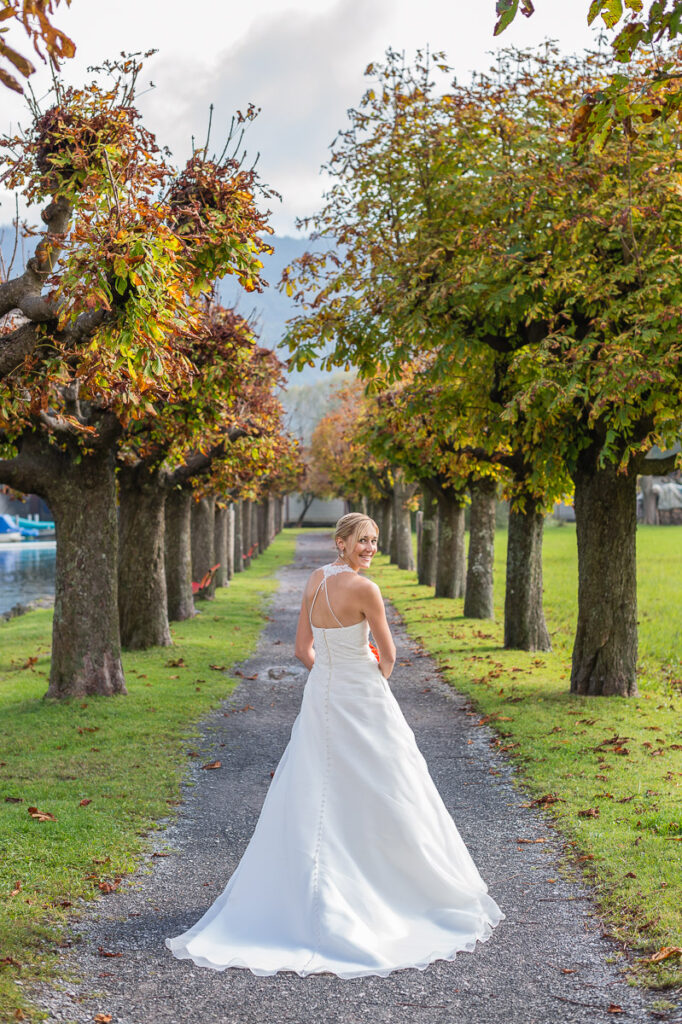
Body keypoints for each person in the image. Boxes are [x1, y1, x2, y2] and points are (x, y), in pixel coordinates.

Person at [166, 513, 503, 977]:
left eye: (374, 541)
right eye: (362, 540)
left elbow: (302, 650)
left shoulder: (315, 579)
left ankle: (305, 895)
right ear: (341, 542)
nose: (369, 547)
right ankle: (390, 887)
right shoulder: (367, 591)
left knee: (316, 788)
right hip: (361, 697)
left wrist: (327, 673)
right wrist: (369, 677)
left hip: (321, 697)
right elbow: (389, 657)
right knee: (383, 784)